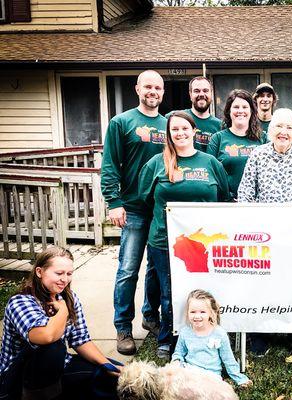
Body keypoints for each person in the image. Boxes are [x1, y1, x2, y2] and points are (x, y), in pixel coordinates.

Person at [138, 111, 230, 359]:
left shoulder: (211, 163)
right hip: (165, 241)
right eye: (174, 129)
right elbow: (144, 199)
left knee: (205, 290)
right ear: (168, 134)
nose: (180, 133)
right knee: (170, 293)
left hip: (203, 243)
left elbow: (224, 197)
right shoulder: (157, 163)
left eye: (184, 128)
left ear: (194, 131)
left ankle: (208, 333)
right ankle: (168, 339)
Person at [238, 108, 292, 360]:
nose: (284, 132)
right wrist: (254, 225)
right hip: (265, 235)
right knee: (262, 284)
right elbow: (244, 194)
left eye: (289, 128)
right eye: (278, 127)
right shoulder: (258, 154)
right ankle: (260, 334)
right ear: (270, 130)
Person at [101, 69, 166, 355]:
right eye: (148, 87)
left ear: (163, 93)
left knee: (155, 269)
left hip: (161, 210)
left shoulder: (169, 125)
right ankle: (123, 326)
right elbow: (110, 164)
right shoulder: (121, 122)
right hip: (133, 209)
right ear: (137, 89)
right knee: (128, 270)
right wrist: (113, 201)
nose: (153, 92)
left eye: (158, 88)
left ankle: (150, 317)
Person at [0, 247, 121, 400]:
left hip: (58, 367)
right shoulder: (20, 302)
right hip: (17, 379)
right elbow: (47, 336)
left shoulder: (70, 298)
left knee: (114, 376)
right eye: (59, 273)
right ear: (39, 272)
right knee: (53, 347)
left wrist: (107, 365)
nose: (65, 279)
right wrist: (63, 310)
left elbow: (81, 340)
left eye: (69, 274)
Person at [172, 289, 252, 387]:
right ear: (187, 313)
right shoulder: (185, 332)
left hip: (211, 376)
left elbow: (228, 359)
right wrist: (176, 362)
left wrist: (239, 378)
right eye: (192, 312)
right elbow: (179, 352)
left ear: (211, 313)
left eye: (202, 312)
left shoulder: (219, 333)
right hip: (190, 372)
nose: (197, 316)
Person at [207, 89, 264, 200]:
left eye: (245, 107)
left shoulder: (263, 138)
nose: (240, 111)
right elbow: (211, 174)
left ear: (252, 110)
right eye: (236, 107)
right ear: (229, 110)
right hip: (227, 204)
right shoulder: (218, 139)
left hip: (257, 204)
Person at [165, 76, 222, 152]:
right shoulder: (174, 118)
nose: (201, 94)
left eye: (205, 91)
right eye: (197, 91)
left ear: (211, 94)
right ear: (190, 94)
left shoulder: (220, 126)